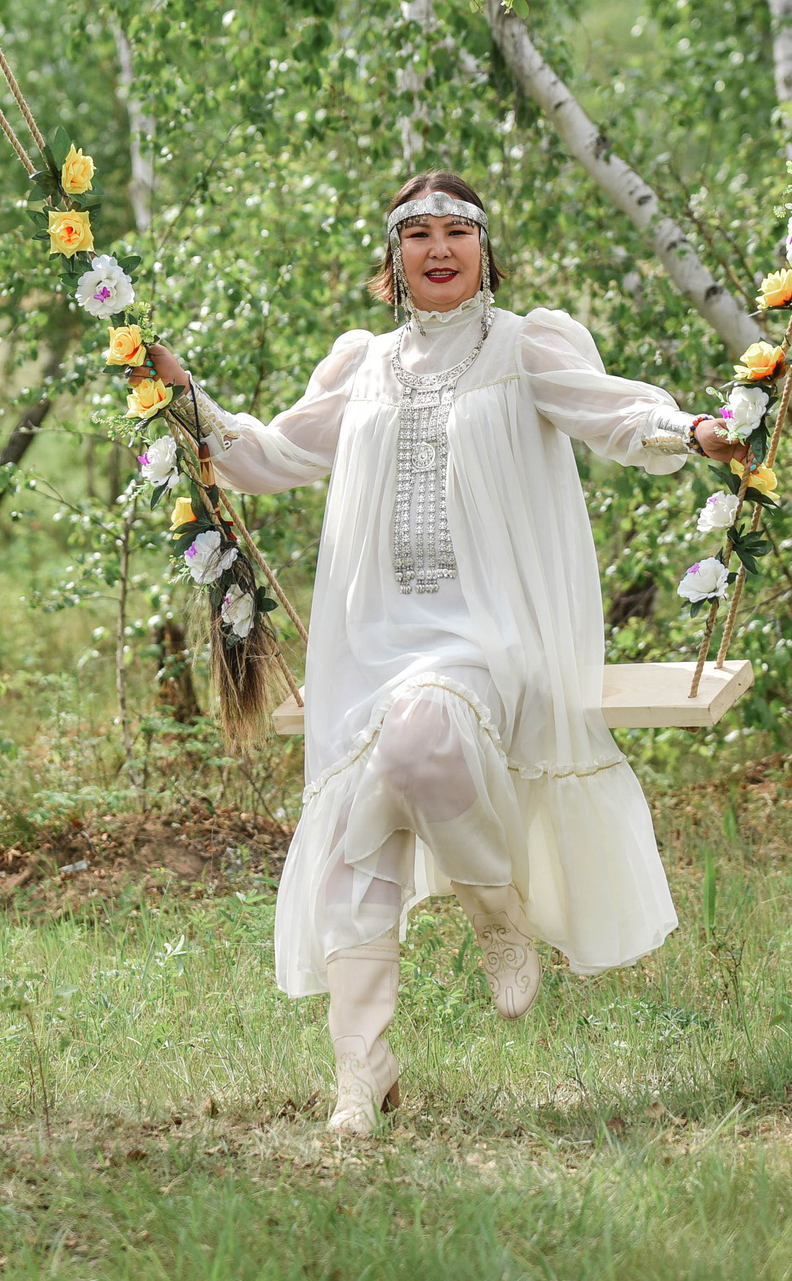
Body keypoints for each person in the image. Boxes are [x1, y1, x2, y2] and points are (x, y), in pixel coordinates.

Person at [145, 170, 742, 1135]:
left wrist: (696, 430)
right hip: (368, 637)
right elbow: (267, 455)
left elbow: (618, 414)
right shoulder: (363, 366)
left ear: (482, 250)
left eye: (456, 231)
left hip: (485, 632)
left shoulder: (523, 348)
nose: (437, 247)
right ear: (393, 259)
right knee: (354, 837)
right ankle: (360, 1075)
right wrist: (188, 403)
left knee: (420, 746)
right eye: (416, 232)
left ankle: (497, 909)